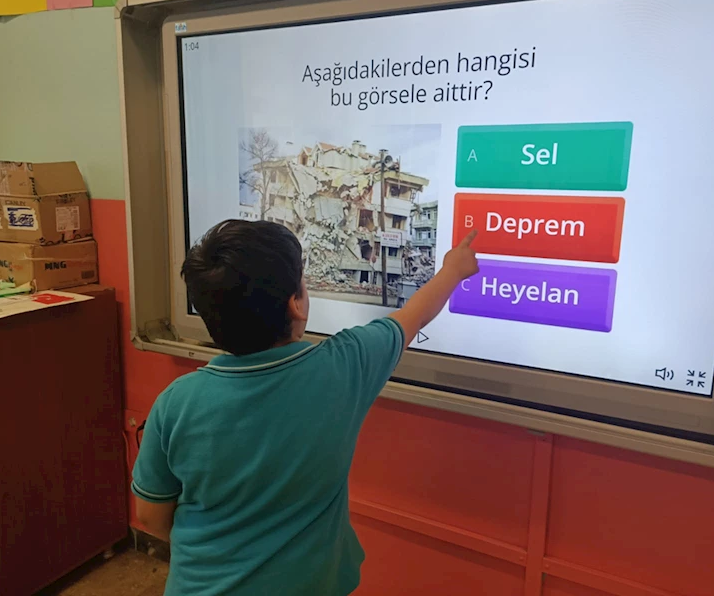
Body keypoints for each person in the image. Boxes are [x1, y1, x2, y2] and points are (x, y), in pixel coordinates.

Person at [132, 219, 478, 595]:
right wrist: (453, 269)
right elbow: (415, 315)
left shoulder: (176, 402)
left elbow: (151, 515)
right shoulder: (344, 366)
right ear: (296, 304)